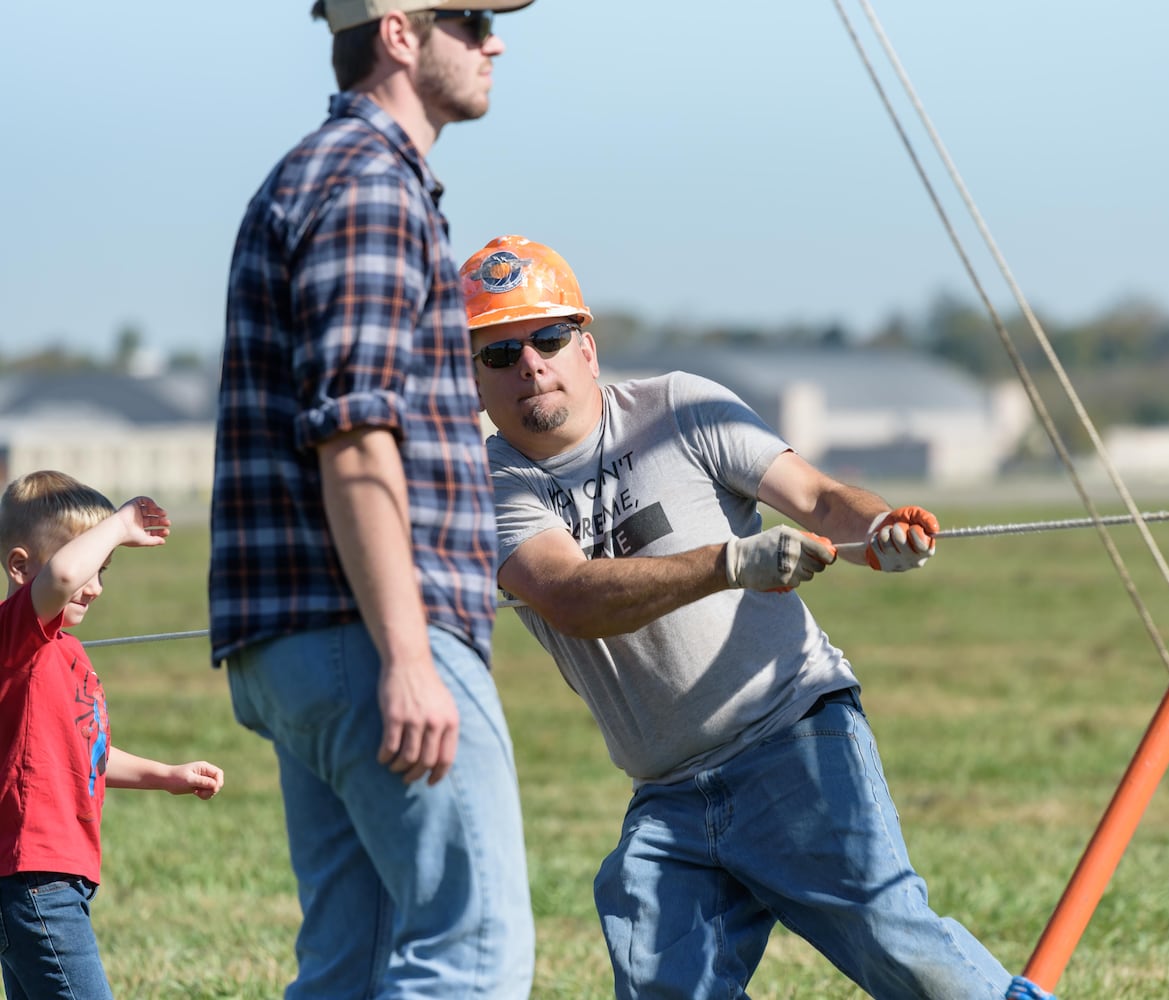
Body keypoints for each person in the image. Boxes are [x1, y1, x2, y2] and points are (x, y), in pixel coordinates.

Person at [460, 235, 1058, 1000]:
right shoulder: (486, 485)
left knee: (896, 944)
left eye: (547, 338)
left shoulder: (679, 407)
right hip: (669, 790)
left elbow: (819, 501)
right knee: (661, 988)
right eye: (498, 352)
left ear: (588, 348)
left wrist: (882, 532)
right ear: (471, 378)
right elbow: (569, 596)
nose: (530, 365)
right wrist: (731, 563)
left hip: (793, 734)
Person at [209, 3, 537, 996]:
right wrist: (406, 655)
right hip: (372, 634)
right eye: (472, 19)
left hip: (307, 642)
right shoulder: (368, 188)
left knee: (351, 963)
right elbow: (354, 436)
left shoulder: (326, 176)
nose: (496, 42)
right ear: (400, 32)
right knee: (468, 954)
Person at [0, 470, 224, 1000]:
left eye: (105, 569)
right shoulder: (12, 637)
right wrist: (120, 522)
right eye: (87, 565)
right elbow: (57, 579)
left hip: (59, 878)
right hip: (34, 878)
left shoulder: (69, 653)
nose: (95, 585)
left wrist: (164, 776)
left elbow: (87, 753)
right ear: (19, 567)